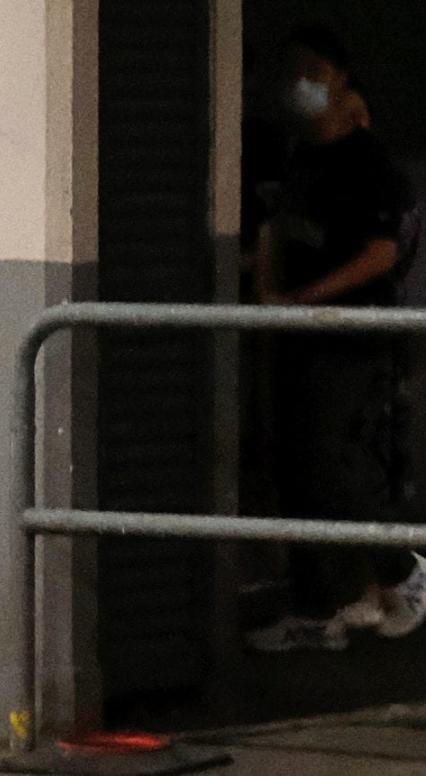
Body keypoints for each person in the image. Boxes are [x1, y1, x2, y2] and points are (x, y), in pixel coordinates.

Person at [246, 24, 425, 653]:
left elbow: (381, 253)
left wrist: (304, 303)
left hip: (348, 341)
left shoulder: (370, 167)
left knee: (337, 470)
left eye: (314, 71)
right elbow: (273, 231)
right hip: (295, 336)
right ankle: (322, 606)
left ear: (344, 81)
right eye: (292, 70)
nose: (300, 84)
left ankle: (401, 569)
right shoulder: (300, 161)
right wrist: (269, 294)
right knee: (295, 471)